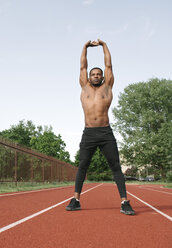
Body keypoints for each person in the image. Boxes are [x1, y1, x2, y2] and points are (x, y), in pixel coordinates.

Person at [66, 39, 135, 215]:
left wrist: (104, 45)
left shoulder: (108, 87)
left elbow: (109, 64)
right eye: (93, 74)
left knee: (116, 167)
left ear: (103, 77)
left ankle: (124, 202)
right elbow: (82, 66)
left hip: (105, 132)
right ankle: (76, 200)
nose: (96, 76)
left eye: (98, 74)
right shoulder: (84, 87)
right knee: (82, 166)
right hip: (89, 133)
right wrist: (85, 47)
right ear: (88, 77)